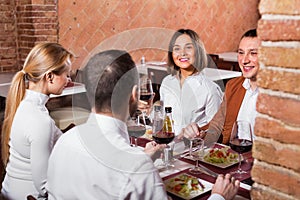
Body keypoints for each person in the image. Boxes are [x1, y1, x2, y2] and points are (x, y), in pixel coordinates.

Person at [45, 50, 168, 199]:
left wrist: (140, 158)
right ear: (134, 95)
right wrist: (139, 162)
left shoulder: (63, 142)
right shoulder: (138, 168)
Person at [1, 43, 73, 199]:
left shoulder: (24, 103)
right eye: (67, 74)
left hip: (10, 191)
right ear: (50, 77)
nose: (68, 79)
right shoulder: (39, 120)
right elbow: (44, 187)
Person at [182, 29, 260, 145]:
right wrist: (200, 134)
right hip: (234, 158)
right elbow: (217, 127)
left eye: (253, 53)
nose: (244, 60)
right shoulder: (233, 86)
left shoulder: (279, 95)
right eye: (241, 52)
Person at [160, 29, 223, 136]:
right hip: (168, 144)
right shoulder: (167, 82)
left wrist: (201, 134)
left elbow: (217, 131)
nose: (182, 53)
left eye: (188, 47)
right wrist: (149, 112)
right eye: (177, 49)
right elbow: (163, 117)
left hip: (194, 148)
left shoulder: (210, 89)